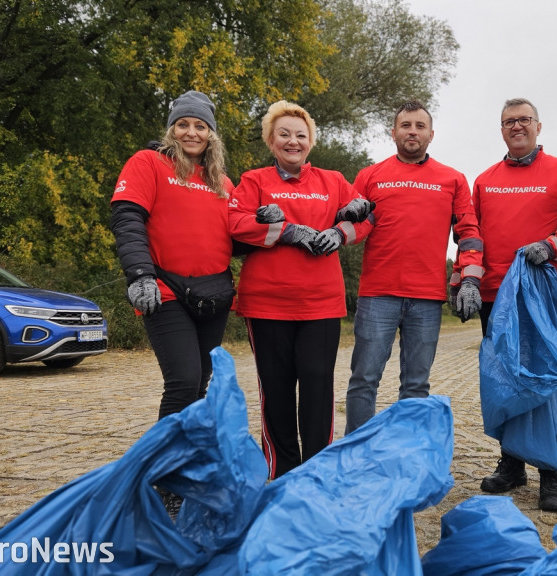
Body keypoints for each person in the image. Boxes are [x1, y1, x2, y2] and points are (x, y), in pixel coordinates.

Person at [229, 100, 373, 480]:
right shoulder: (254, 181)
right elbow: (234, 222)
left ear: (310, 142)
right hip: (266, 305)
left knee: (317, 390)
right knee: (275, 394)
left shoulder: (334, 181)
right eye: (284, 134)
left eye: (300, 135)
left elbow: (366, 219)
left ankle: (317, 473)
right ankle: (280, 474)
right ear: (271, 141)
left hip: (321, 305)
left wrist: (338, 233)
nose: (293, 141)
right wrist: (285, 231)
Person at [473, 97, 557, 512]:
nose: (517, 126)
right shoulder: (485, 180)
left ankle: (552, 474)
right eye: (509, 121)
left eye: (524, 120)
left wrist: (552, 245)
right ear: (501, 129)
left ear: (539, 127)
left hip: (542, 298)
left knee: (546, 382)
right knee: (505, 379)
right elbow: (472, 234)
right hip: (495, 297)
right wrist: (463, 282)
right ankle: (511, 465)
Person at [343, 100, 484, 434]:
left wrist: (469, 280)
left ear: (431, 135)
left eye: (420, 126)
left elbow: (469, 233)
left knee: (416, 385)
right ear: (393, 132)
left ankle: (407, 457)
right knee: (364, 380)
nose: (412, 132)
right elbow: (351, 225)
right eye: (406, 125)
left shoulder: (453, 179)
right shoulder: (369, 175)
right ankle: (355, 457)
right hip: (377, 294)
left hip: (426, 299)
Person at [110, 90, 234, 421]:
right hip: (165, 290)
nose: (191, 132)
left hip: (213, 295)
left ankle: (187, 462)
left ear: (211, 134)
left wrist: (270, 221)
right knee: (183, 381)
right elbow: (127, 218)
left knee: (199, 386)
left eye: (200, 126)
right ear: (171, 129)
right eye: (183, 124)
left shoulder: (222, 182)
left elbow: (239, 236)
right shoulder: (148, 163)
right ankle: (160, 467)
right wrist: (139, 274)